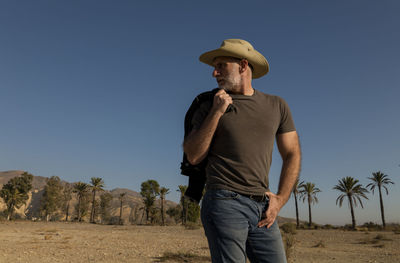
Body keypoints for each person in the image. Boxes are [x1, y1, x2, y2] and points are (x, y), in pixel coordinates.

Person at [183, 39, 301, 263]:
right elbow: (194, 155)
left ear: (243, 66)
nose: (214, 73)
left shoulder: (277, 105)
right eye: (214, 67)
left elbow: (292, 153)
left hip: (264, 207)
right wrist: (217, 113)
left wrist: (281, 199)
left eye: (221, 66)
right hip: (224, 201)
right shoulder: (207, 104)